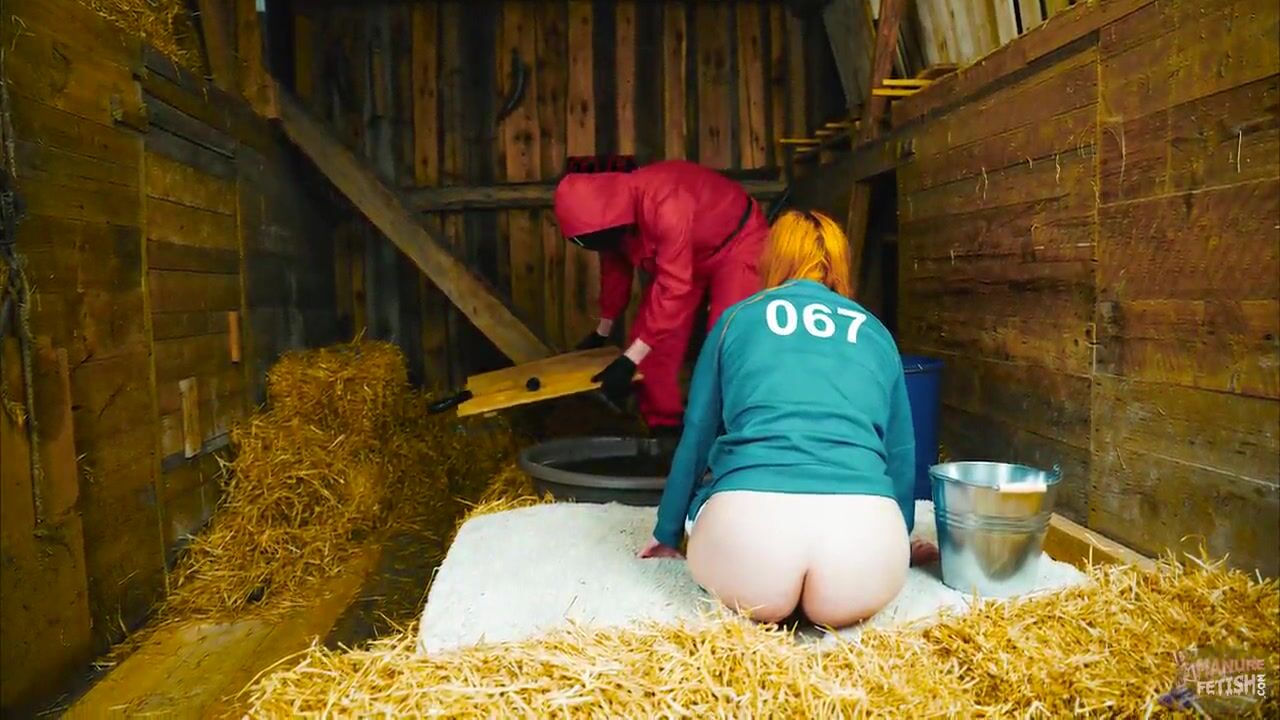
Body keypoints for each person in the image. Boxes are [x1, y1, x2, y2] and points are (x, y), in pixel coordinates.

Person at [637, 209, 938, 629]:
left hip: (749, 556)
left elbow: (698, 434)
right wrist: (897, 539)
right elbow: (901, 451)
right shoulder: (875, 332)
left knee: (707, 495)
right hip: (864, 558)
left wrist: (667, 532)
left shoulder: (737, 319)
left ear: (773, 258)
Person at [552, 160, 769, 436]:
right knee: (652, 343)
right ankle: (665, 429)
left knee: (727, 336)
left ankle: (735, 432)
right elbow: (615, 274)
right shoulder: (611, 224)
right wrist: (601, 332)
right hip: (686, 258)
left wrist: (629, 360)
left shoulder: (666, 204)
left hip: (736, 244)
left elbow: (674, 288)